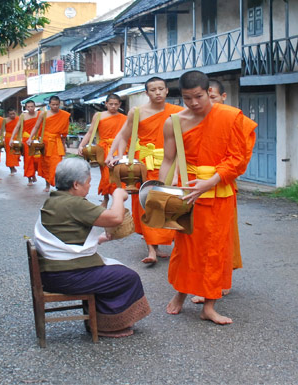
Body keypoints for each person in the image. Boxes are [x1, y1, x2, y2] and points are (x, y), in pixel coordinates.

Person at [158, 70, 245, 325]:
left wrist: (212, 180)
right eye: (187, 98)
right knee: (186, 248)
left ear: (209, 92)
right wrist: (165, 192)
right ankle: (181, 294)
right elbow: (168, 160)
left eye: (198, 96)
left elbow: (237, 159)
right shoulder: (174, 121)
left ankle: (209, 305)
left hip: (218, 192)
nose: (194, 103)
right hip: (188, 193)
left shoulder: (229, 117)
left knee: (216, 250)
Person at [34, 158, 151, 337]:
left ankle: (99, 319)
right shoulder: (74, 203)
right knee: (127, 277)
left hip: (52, 272)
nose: (89, 187)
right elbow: (115, 218)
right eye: (88, 183)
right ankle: (107, 325)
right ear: (75, 184)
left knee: (115, 269)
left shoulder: (55, 200)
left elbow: (67, 234)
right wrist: (118, 196)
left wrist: (101, 238)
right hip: (66, 276)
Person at [191, 79, 257, 304]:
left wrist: (217, 176)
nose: (208, 103)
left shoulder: (233, 119)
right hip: (194, 187)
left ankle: (219, 282)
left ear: (223, 97)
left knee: (221, 239)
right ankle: (201, 283)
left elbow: (241, 157)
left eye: (213, 97)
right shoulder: (190, 119)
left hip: (221, 186)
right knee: (197, 240)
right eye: (203, 98)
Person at [106, 77, 184, 264]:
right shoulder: (137, 112)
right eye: (153, 90)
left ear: (166, 91)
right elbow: (124, 135)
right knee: (146, 206)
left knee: (168, 206)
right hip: (144, 166)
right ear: (146, 93)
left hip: (169, 163)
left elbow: (183, 144)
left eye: (160, 89)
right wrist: (121, 156)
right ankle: (152, 250)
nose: (157, 93)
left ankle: (167, 243)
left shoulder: (179, 113)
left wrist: (176, 172)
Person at [78, 94, 127, 207]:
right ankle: (105, 198)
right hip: (103, 150)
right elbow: (91, 132)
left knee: (118, 175)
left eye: (116, 104)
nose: (113, 106)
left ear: (120, 104)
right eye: (111, 104)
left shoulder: (124, 118)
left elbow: (125, 136)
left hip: (119, 149)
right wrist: (81, 145)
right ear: (105, 104)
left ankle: (117, 200)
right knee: (105, 176)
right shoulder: (99, 115)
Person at [30, 96, 70, 192]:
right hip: (46, 142)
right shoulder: (43, 114)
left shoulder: (64, 115)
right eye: (53, 104)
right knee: (46, 164)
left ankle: (57, 185)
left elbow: (64, 133)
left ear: (59, 104)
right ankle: (47, 184)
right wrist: (30, 138)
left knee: (57, 165)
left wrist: (64, 145)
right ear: (49, 104)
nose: (55, 106)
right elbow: (36, 127)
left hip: (57, 142)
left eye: (57, 104)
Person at [10, 100, 41, 186]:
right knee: (28, 160)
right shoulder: (23, 116)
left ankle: (33, 173)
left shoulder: (39, 114)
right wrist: (11, 138)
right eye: (28, 107)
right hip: (26, 140)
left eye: (32, 106)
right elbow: (17, 127)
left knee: (36, 160)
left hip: (36, 139)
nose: (30, 108)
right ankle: (30, 178)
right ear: (26, 107)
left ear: (35, 107)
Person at [3, 108, 20, 175]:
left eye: (14, 114)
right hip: (8, 138)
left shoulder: (18, 119)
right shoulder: (5, 120)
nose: (12, 115)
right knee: (9, 155)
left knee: (16, 154)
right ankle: (11, 168)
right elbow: (2, 130)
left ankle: (14, 166)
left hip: (17, 138)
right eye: (10, 114)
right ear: (8, 114)